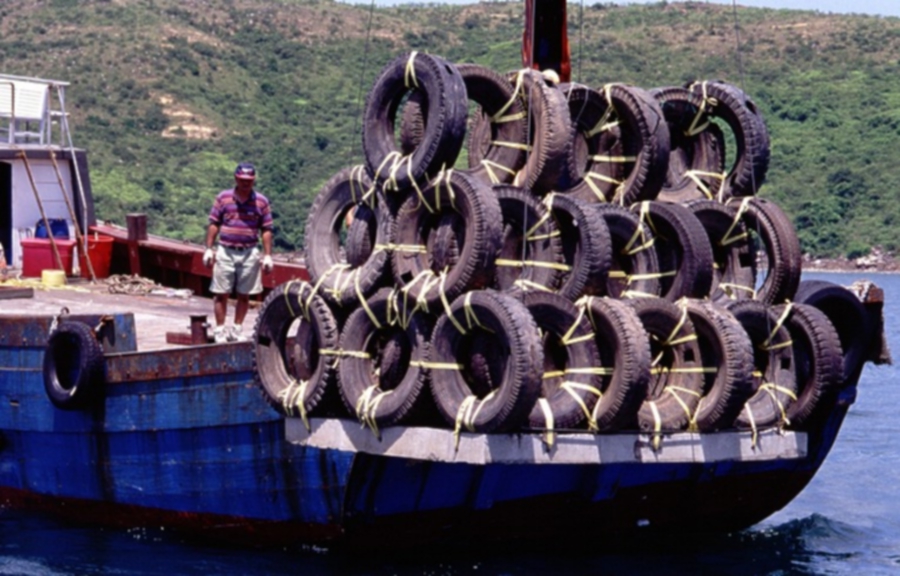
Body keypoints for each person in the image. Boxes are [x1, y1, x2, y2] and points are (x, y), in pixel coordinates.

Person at [203, 162, 274, 343]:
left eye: (249, 180)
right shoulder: (223, 198)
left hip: (249, 251)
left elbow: (266, 229)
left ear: (253, 181)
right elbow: (214, 223)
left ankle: (237, 328)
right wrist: (209, 249)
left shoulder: (261, 201)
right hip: (226, 250)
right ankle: (220, 330)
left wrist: (267, 255)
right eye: (242, 180)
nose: (245, 183)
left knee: (245, 294)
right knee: (221, 292)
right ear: (236, 178)